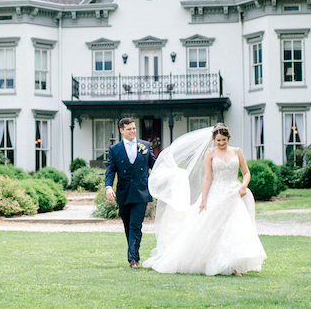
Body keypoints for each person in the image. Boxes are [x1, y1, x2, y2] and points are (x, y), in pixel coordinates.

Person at [143, 123, 267, 275]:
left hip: (234, 193)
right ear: (214, 139)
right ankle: (212, 261)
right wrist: (204, 200)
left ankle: (235, 265)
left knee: (234, 228)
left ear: (228, 138)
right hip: (216, 193)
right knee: (212, 228)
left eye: (224, 140)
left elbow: (246, 173)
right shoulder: (210, 153)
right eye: (218, 140)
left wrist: (243, 185)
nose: (221, 143)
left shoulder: (237, 152)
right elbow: (208, 178)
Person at [104, 117, 157, 269]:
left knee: (135, 225)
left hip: (141, 192)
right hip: (124, 192)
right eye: (129, 129)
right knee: (128, 225)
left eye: (134, 128)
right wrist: (108, 187)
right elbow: (110, 170)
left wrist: (169, 173)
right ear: (122, 131)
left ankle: (132, 259)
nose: (132, 131)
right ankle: (134, 255)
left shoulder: (145, 145)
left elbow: (155, 164)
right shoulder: (115, 149)